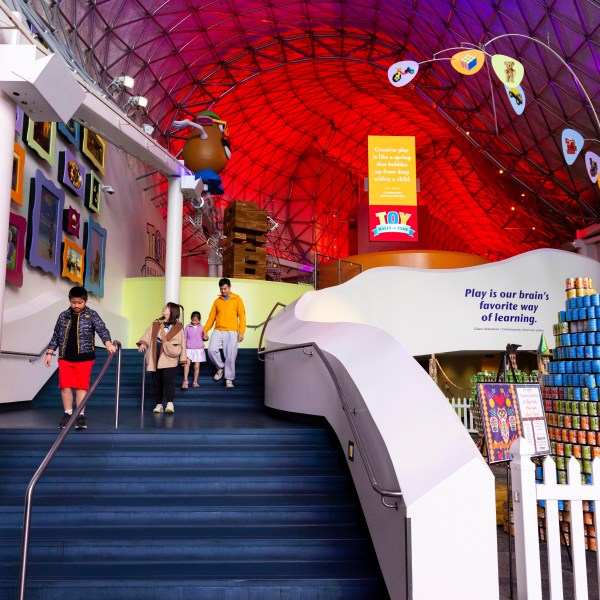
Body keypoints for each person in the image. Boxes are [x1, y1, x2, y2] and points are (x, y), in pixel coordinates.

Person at [45, 286, 116, 429]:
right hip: (65, 357)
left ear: (85, 301)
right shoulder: (63, 316)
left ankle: (80, 416)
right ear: (69, 301)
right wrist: (50, 352)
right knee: (65, 386)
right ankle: (68, 413)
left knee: (81, 387)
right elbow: (56, 335)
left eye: (79, 302)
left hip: (84, 358)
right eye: (73, 302)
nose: (76, 305)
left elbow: (102, 329)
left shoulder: (92, 315)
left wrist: (108, 343)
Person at [137, 303, 186, 413]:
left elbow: (183, 343)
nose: (163, 308)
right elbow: (148, 334)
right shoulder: (156, 323)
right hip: (156, 353)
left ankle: (170, 403)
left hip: (169, 355)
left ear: (172, 311)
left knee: (168, 380)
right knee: (156, 381)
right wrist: (143, 344)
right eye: (163, 307)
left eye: (166, 307)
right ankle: (159, 404)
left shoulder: (178, 327)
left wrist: (183, 359)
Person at [204, 278, 246, 389]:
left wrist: (241, 332)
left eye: (225, 288)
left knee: (231, 354)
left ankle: (229, 379)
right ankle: (221, 367)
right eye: (221, 289)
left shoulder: (237, 299)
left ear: (229, 287)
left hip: (232, 331)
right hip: (218, 330)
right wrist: (205, 330)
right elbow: (211, 317)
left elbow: (242, 317)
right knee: (211, 350)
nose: (223, 291)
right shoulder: (217, 301)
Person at [182, 310, 208, 388]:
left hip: (199, 350)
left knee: (197, 366)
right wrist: (183, 349)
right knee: (187, 364)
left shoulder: (202, 327)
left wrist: (206, 338)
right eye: (193, 320)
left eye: (196, 320)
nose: (195, 321)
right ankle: (185, 380)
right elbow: (184, 338)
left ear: (199, 319)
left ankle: (195, 381)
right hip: (189, 349)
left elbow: (204, 338)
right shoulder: (187, 327)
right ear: (191, 319)